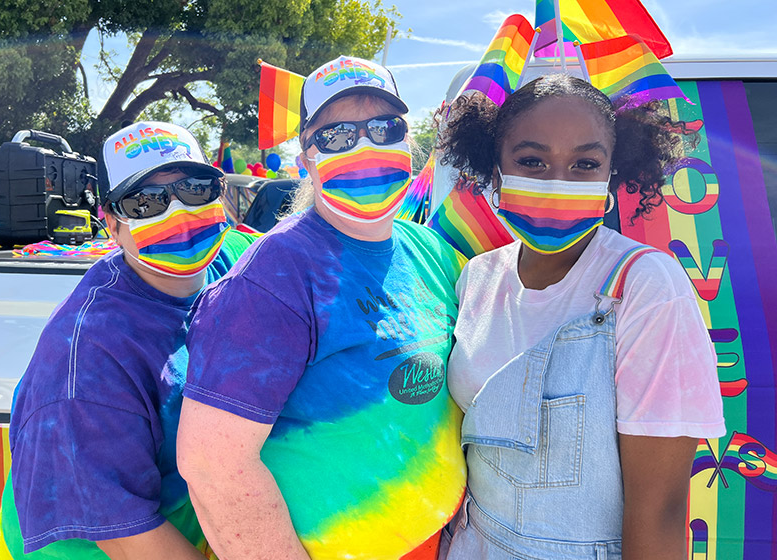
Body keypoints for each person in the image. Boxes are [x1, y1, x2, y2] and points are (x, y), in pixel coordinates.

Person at [177, 55, 467, 560]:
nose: (367, 147)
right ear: (306, 156)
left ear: (409, 138)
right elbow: (213, 465)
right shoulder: (275, 276)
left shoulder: (433, 253)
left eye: (384, 127)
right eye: (337, 136)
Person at [437, 73, 726, 559]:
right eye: (532, 161)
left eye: (584, 164)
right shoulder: (477, 278)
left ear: (613, 172)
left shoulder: (645, 286)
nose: (557, 183)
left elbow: (659, 512)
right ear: (494, 166)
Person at [0, 121, 258, 559]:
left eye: (195, 188)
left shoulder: (227, 262)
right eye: (145, 203)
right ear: (112, 225)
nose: (178, 213)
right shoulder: (86, 357)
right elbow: (125, 534)